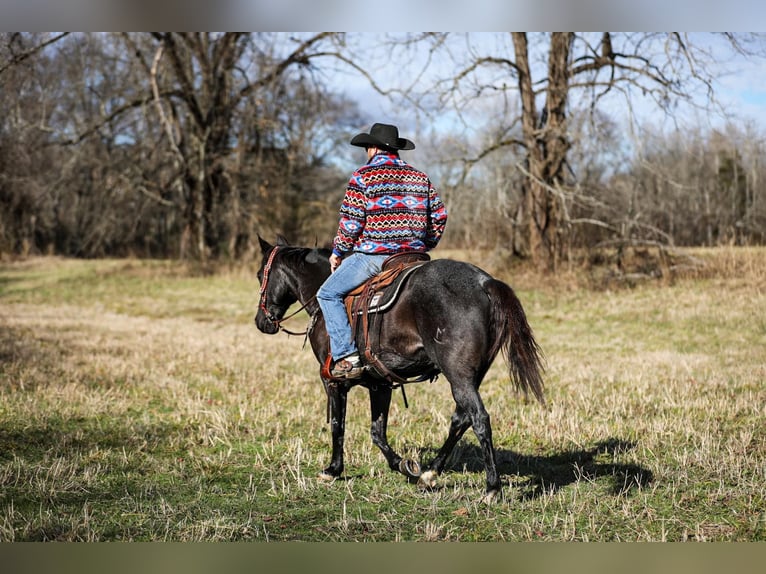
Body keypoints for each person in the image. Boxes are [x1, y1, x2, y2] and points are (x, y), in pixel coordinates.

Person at [317, 122, 448, 379]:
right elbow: (440, 216)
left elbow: (352, 222)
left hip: (377, 257)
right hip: (415, 258)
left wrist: (338, 252)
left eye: (367, 147)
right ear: (395, 150)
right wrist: (424, 243)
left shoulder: (363, 176)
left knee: (327, 293)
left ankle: (346, 357)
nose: (366, 152)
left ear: (374, 148)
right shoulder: (420, 177)